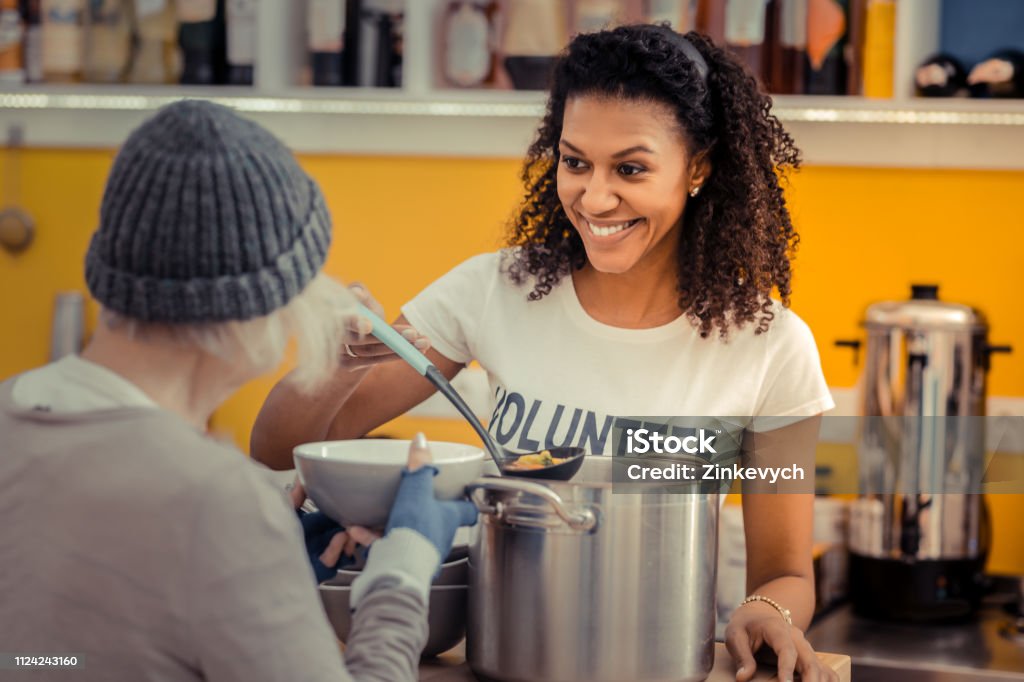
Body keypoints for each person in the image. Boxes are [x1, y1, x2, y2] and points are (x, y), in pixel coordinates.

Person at [254, 25, 840, 682]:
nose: (593, 198)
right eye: (575, 162)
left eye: (631, 168)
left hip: (658, 662)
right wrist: (334, 366)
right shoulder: (494, 290)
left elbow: (785, 572)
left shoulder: (770, 345)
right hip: (504, 657)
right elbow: (279, 450)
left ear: (698, 167)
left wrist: (765, 612)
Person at [0, 100, 476, 682]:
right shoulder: (216, 499)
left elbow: (48, 659)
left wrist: (267, 575)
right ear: (255, 302)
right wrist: (402, 569)